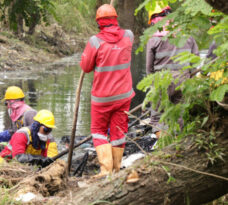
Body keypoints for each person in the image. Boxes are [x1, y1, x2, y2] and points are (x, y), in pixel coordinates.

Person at [80, 4, 135, 177]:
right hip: (124, 95)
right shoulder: (129, 36)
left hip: (102, 98)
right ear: (116, 19)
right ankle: (116, 169)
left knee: (98, 131)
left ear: (99, 23)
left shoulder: (95, 42)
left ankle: (106, 171)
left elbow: (86, 67)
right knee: (118, 133)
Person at [146, 3, 199, 137]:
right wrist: (189, 78)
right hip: (183, 79)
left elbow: (149, 69)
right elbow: (195, 61)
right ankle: (176, 146)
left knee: (158, 118)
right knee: (179, 115)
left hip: (161, 81)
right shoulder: (187, 35)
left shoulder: (154, 39)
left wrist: (153, 87)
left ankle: (163, 149)